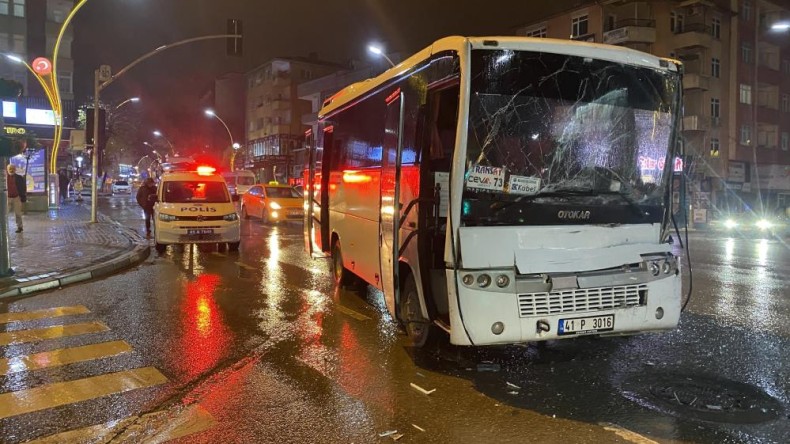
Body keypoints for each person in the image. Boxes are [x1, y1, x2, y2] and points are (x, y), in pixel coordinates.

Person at [6, 164, 27, 233]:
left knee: (18, 213)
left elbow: (23, 188)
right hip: (7, 197)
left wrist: (23, 197)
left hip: (16, 197)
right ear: (7, 169)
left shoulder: (19, 178)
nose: (11, 170)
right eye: (10, 169)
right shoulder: (5, 178)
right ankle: (4, 226)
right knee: (5, 213)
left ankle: (20, 227)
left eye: (12, 168)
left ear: (15, 170)